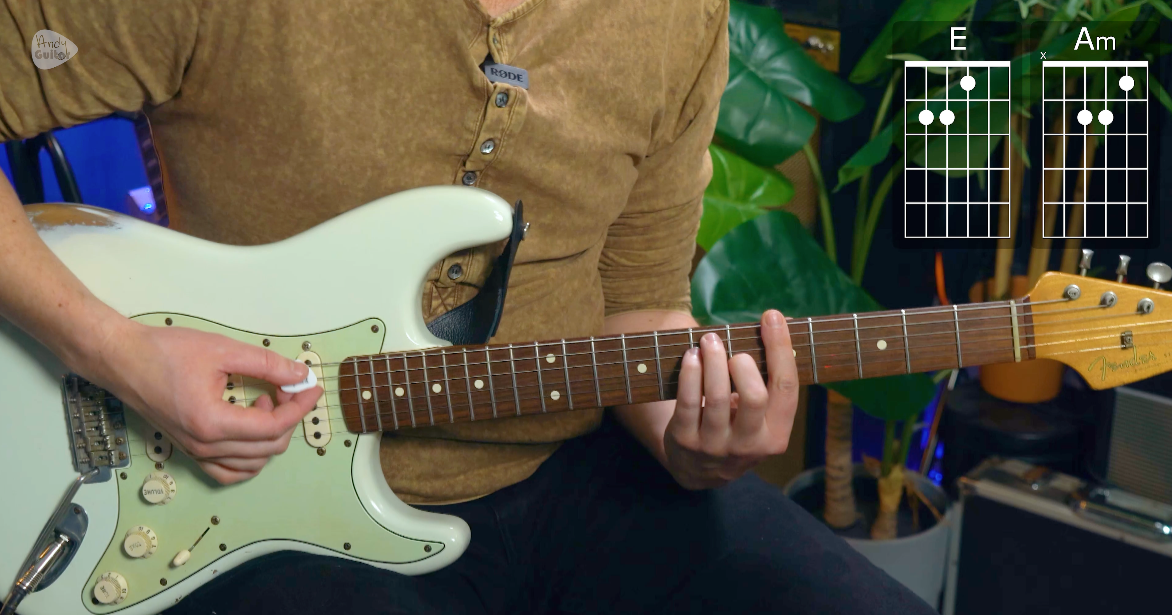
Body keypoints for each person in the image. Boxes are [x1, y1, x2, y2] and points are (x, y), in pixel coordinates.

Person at [0, 1, 936, 613]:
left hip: (567, 470)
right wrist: (116, 351)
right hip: (240, 491)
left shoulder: (676, 18)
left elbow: (637, 308)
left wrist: (695, 443)